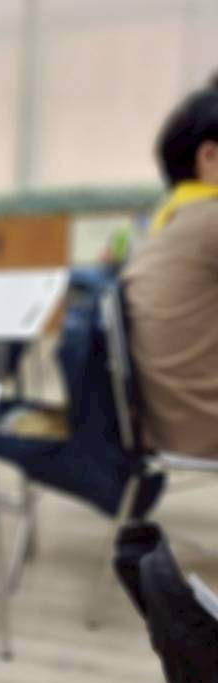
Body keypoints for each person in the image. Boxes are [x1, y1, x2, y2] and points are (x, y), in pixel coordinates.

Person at [121, 75, 218, 458]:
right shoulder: (210, 219)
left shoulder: (171, 215)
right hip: (203, 425)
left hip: (169, 421)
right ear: (210, 156)